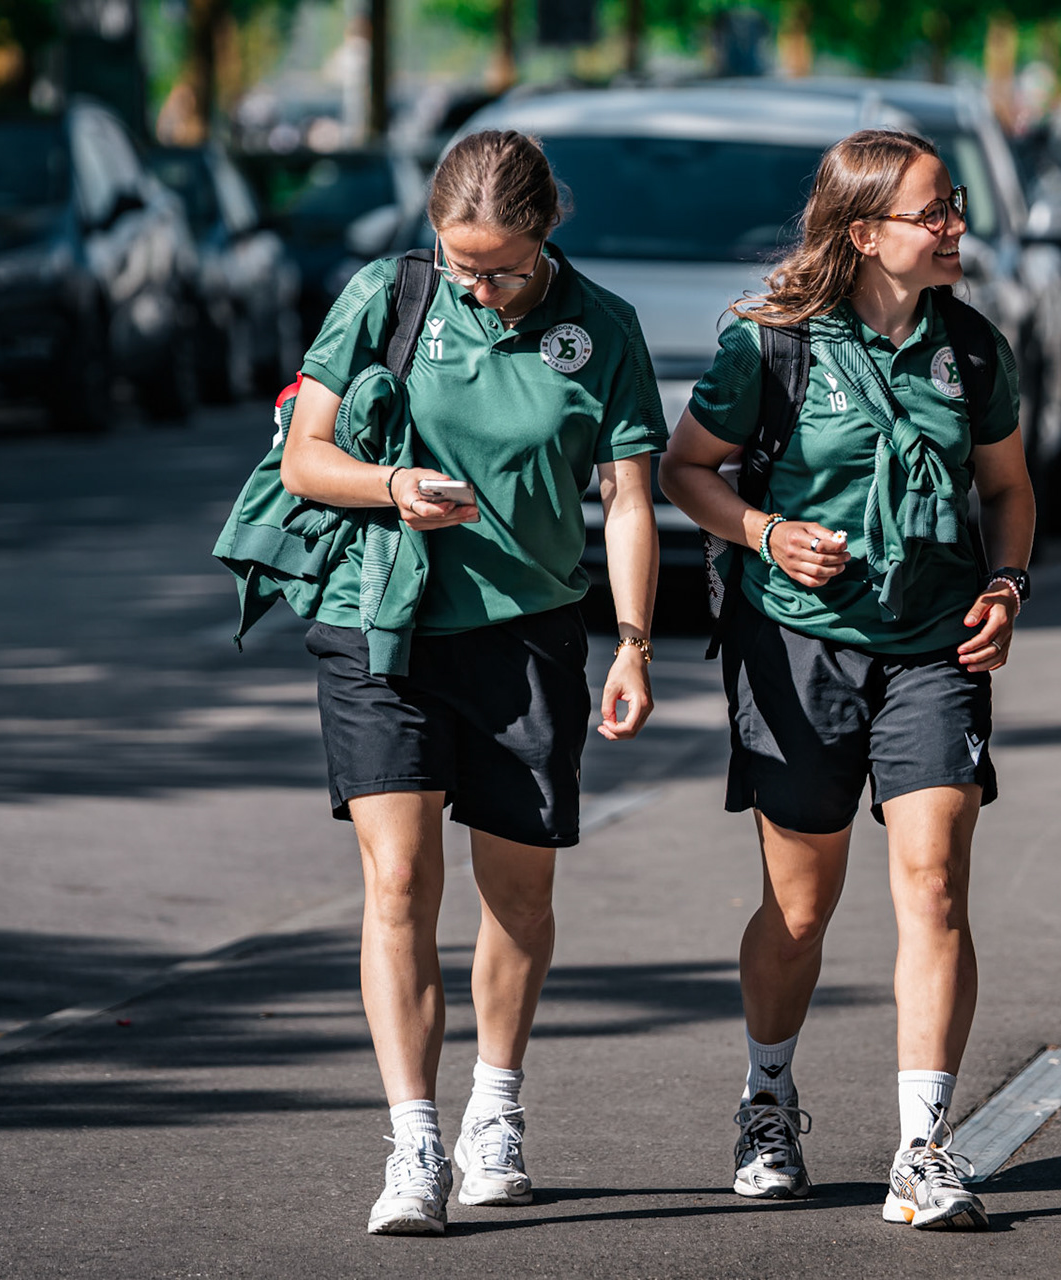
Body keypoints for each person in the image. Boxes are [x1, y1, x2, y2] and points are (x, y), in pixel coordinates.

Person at [278, 129, 667, 1235]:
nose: (479, 285)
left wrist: (633, 639)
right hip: (381, 624)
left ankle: (496, 1103)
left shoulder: (603, 328)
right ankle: (414, 1139)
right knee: (398, 878)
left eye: (498, 266)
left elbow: (628, 497)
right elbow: (308, 455)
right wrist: (390, 482)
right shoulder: (384, 296)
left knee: (520, 893)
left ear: (545, 235)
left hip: (529, 634)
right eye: (462, 266)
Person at [658, 128, 1035, 1232]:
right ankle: (766, 1098)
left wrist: (1005, 586)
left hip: (935, 645)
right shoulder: (769, 345)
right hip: (798, 649)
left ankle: (924, 1144)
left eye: (956, 204)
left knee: (935, 885)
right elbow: (688, 468)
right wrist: (767, 533)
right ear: (865, 232)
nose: (956, 225)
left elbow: (1007, 487)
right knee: (801, 903)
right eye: (934, 211)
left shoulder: (971, 350)